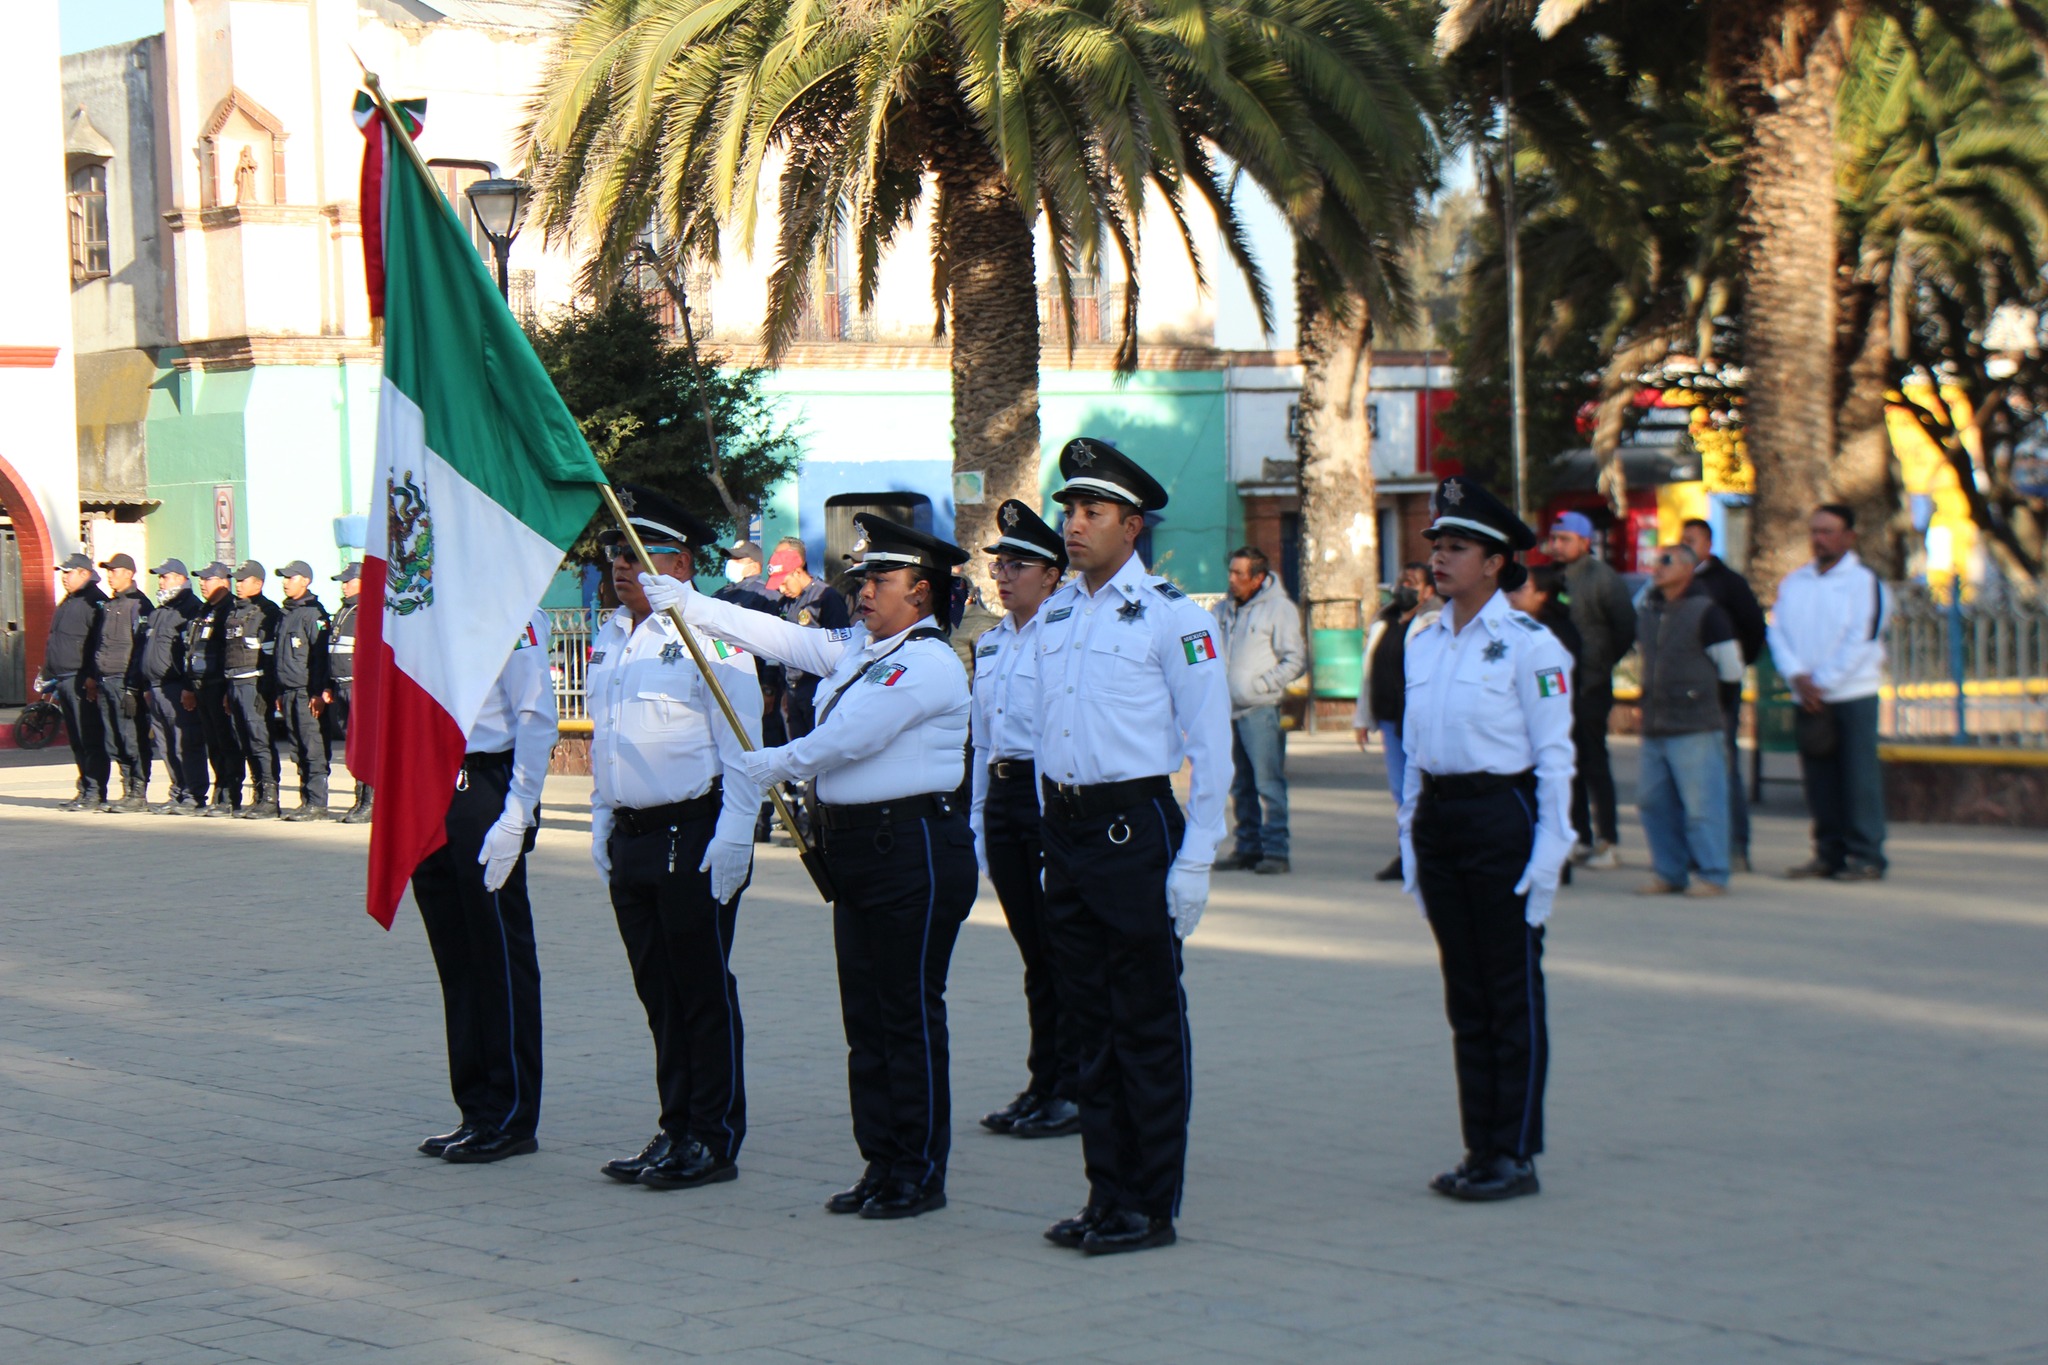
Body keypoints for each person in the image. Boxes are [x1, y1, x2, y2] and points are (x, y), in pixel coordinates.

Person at [649, 514, 976, 1221]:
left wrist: (776, 762)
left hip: (912, 846)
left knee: (906, 1014)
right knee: (866, 1017)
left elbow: (855, 736)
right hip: (861, 848)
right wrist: (690, 602)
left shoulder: (926, 662)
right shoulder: (862, 649)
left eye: (878, 580)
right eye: (860, 579)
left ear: (920, 592)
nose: (862, 591)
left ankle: (917, 1171)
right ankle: (880, 1161)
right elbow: (783, 637)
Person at [1031, 437, 1231, 1257]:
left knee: (1143, 1023)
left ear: (1131, 525)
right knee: (1088, 1026)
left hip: (1135, 829)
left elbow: (1213, 745)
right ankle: (1104, 1192)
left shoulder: (1175, 617)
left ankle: (1149, 1204)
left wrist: (1197, 858)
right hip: (1070, 828)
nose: (1073, 525)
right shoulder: (1059, 611)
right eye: (1070, 510)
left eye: (1091, 512)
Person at [1401, 476, 1574, 1203]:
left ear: (1497, 562)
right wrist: (1411, 839)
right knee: (1466, 995)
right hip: (1442, 818)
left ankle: (1516, 1150)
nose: (1440, 558)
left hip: (1501, 816)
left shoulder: (1531, 645)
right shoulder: (1422, 638)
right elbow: (1415, 746)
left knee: (1510, 992)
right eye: (1437, 544)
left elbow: (1558, 756)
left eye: (1458, 546)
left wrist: (1548, 857)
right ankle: (1481, 1145)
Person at [589, 491, 762, 1190]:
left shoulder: (709, 633)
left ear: (681, 563)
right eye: (617, 555)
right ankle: (675, 1124)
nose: (623, 567)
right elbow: (611, 738)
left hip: (694, 830)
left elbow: (745, 743)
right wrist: (602, 817)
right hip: (633, 835)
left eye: (639, 553)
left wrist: (736, 837)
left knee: (700, 989)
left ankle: (712, 1136)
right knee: (658, 990)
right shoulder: (613, 635)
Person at [412, 609, 558, 1164]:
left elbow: (536, 715)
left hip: (483, 784)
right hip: (432, 783)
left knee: (499, 955)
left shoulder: (510, 611)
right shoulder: (422, 610)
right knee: (457, 957)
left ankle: (513, 1113)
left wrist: (518, 810)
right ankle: (475, 1108)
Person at [970, 499, 1080, 1141]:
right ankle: (1044, 1082)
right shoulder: (990, 645)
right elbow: (984, 742)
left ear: (1052, 574)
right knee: (1035, 952)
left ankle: (1069, 1084)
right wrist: (982, 822)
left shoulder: (1065, 637)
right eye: (1000, 564)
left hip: (1051, 801)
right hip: (1008, 799)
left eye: (1019, 565)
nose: (1003, 576)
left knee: (1061, 949)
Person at [1767, 504, 1891, 881]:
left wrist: (1823, 681)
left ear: (1848, 536)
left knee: (1858, 778)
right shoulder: (1794, 583)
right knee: (1819, 780)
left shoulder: (1864, 583)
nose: (1819, 539)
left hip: (1851, 694)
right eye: (1815, 531)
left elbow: (1862, 638)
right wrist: (1797, 677)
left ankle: (1866, 855)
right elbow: (1778, 633)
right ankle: (1828, 852)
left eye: (1828, 531)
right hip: (1808, 697)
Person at [1633, 545, 1745, 898]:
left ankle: (1713, 872)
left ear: (1689, 568)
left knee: (1702, 805)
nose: (1657, 568)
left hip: (1695, 723)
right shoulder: (1649, 608)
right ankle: (1669, 871)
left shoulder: (1707, 612)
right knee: (1653, 802)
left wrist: (1712, 707)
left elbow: (1732, 669)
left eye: (1666, 561)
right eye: (1655, 561)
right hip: (1656, 722)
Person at [1545, 511, 1635, 870]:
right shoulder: (1552, 577)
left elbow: (1625, 627)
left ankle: (1608, 839)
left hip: (1591, 685)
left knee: (1595, 763)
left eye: (1565, 539)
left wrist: (1601, 661)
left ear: (1585, 542)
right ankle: (1579, 836)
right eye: (1554, 538)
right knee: (1568, 765)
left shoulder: (1602, 578)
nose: (1557, 545)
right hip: (1558, 687)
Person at [1211, 546, 1307, 875]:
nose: (1232, 579)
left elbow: (1294, 659)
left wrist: (1263, 686)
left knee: (1268, 783)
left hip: (1261, 711)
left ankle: (1277, 851)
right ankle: (1247, 848)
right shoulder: (1222, 610)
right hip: (1229, 712)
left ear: (1258, 578)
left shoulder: (1279, 609)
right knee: (1241, 785)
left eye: (1239, 574)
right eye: (1231, 572)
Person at [1680, 519, 1767, 872]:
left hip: (1719, 694)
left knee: (1723, 769)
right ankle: (1695, 849)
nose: (1685, 546)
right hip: (1682, 698)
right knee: (1686, 775)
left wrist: (1733, 669)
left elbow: (1753, 629)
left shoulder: (1728, 583)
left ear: (1708, 544)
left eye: (1692, 540)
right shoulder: (1678, 585)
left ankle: (1734, 847)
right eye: (1681, 540)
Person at [1356, 563, 1441, 880]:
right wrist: (1362, 717)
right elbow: (1368, 673)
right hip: (1390, 718)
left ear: (1428, 591)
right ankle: (1406, 854)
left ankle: (1425, 854)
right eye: (1401, 580)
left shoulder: (1434, 621)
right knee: (1400, 791)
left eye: (1412, 582)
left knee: (1423, 790)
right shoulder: (1385, 621)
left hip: (1419, 721)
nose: (1403, 586)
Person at [770, 536, 851, 839]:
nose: (780, 587)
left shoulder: (826, 598)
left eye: (783, 579)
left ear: (798, 570)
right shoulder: (787, 602)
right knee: (798, 753)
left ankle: (819, 822)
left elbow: (841, 649)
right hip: (792, 691)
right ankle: (802, 820)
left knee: (819, 756)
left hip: (818, 690)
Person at [718, 537, 786, 841]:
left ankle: (763, 818)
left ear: (753, 564)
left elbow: (774, 642)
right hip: (722, 683)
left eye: (737, 559)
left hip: (756, 686)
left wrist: (770, 686)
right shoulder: (719, 595)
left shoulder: (766, 596)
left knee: (761, 750)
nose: (730, 564)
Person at [40, 553, 110, 811]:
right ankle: (84, 789)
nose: (64, 577)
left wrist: (92, 675)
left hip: (82, 680)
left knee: (89, 735)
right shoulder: (70, 600)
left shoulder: (95, 601)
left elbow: (98, 643)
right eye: (63, 572)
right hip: (63, 678)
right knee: (77, 740)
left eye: (68, 572)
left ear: (84, 573)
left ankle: (95, 791)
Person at [140, 559, 209, 815]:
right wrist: (147, 684)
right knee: (165, 745)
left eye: (165, 577)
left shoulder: (192, 609)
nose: (161, 581)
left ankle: (194, 793)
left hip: (177, 688)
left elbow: (192, 653)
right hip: (156, 688)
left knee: (185, 743)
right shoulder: (159, 612)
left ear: (180, 579)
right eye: (159, 577)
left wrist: (189, 686)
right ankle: (178, 791)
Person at [89, 553, 154, 813]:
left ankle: (138, 790)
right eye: (108, 571)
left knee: (132, 737)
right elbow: (100, 644)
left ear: (128, 573)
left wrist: (133, 686)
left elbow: (140, 648)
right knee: (113, 738)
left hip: (125, 682)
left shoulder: (140, 605)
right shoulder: (110, 604)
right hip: (106, 681)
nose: (110, 576)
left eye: (114, 571)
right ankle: (127, 787)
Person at [270, 561, 334, 820]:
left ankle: (317, 803)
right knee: (297, 748)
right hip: (288, 692)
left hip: (308, 693)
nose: (286, 582)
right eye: (283, 578)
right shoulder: (287, 614)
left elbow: (320, 658)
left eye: (291, 578)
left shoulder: (314, 614)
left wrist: (318, 692)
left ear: (305, 581)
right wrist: (279, 692)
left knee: (313, 746)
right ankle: (306, 800)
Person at [181, 563, 244, 816]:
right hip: (201, 685)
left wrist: (229, 689)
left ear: (223, 581)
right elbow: (192, 649)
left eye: (208, 579)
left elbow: (230, 653)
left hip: (220, 686)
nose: (202, 583)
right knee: (214, 744)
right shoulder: (204, 610)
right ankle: (219, 793)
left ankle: (231, 796)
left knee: (228, 742)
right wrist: (189, 685)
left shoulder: (230, 609)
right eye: (201, 579)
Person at [223, 561, 284, 819]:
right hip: (234, 683)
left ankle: (270, 798)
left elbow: (271, 657)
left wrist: (267, 691)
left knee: (260, 741)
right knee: (245, 742)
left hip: (254, 685)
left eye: (243, 580)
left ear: (257, 584)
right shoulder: (233, 612)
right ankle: (258, 795)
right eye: (236, 580)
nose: (238, 584)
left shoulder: (267, 612)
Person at [324, 563, 372, 823]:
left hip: (359, 687)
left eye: (348, 580)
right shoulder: (343, 611)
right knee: (353, 745)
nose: (343, 585)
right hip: (341, 686)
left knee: (366, 745)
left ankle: (370, 801)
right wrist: (328, 685)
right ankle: (359, 798)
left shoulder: (370, 610)